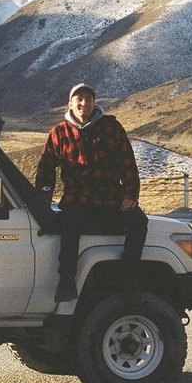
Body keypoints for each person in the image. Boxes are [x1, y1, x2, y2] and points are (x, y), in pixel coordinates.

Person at [35, 83, 148, 302]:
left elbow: (128, 163)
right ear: (70, 103)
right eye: (79, 99)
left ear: (94, 103)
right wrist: (42, 199)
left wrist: (131, 195)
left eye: (88, 98)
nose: (83, 103)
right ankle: (67, 282)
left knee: (138, 222)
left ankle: (127, 278)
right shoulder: (59, 132)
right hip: (78, 197)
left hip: (110, 197)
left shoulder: (111, 127)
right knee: (69, 222)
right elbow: (46, 168)